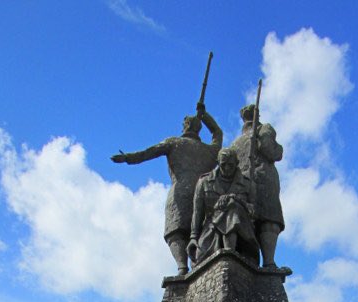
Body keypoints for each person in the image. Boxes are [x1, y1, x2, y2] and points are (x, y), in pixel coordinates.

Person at [111, 104, 222, 274]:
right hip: (205, 193)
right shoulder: (210, 151)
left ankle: (182, 267)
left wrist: (128, 158)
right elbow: (217, 134)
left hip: (180, 191)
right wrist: (205, 115)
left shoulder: (173, 143)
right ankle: (198, 265)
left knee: (175, 231)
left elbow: (148, 152)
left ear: (185, 126)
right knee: (201, 229)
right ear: (199, 128)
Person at [230, 104, 284, 267]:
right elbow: (272, 151)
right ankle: (269, 262)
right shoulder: (264, 129)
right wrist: (276, 147)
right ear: (257, 115)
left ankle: (247, 261)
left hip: (242, 184)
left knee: (248, 222)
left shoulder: (235, 143)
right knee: (269, 220)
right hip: (263, 178)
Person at [187, 148, 260, 265]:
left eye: (230, 165)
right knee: (198, 259)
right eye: (223, 164)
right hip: (211, 227)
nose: (227, 168)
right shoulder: (204, 182)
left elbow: (254, 213)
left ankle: (229, 253)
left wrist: (234, 198)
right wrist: (193, 237)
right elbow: (198, 211)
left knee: (232, 207)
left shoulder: (248, 184)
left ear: (237, 163)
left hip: (242, 232)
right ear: (218, 163)